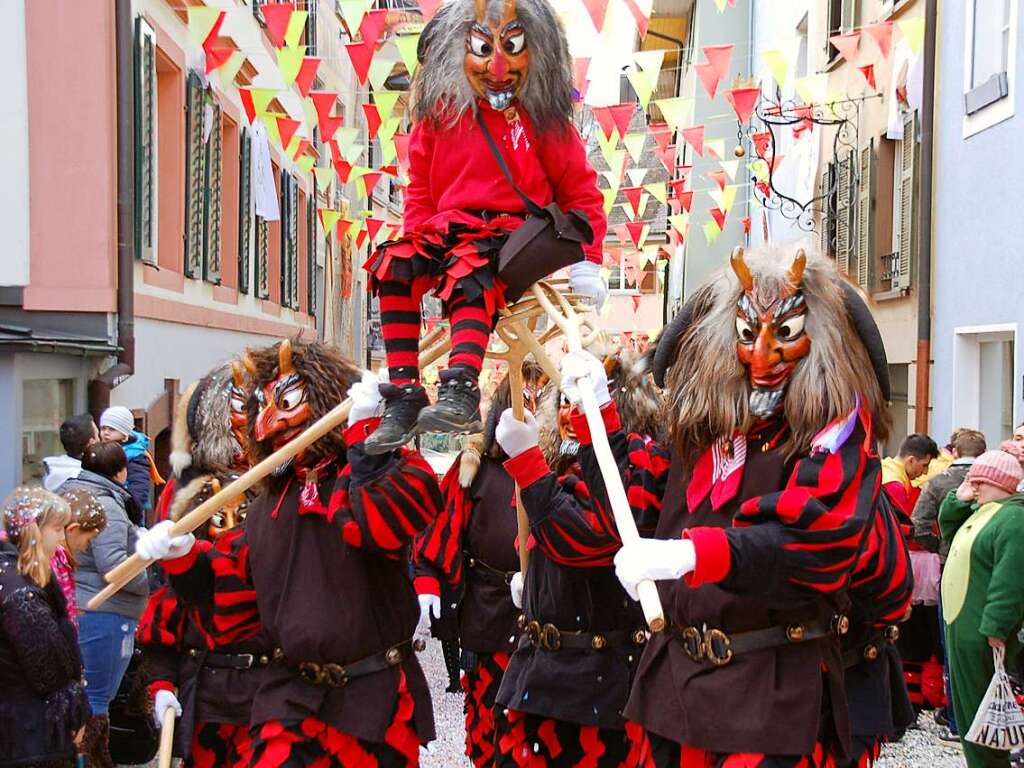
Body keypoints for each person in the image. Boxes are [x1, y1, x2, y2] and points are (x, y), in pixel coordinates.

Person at [568, 244, 893, 765]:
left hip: (770, 693)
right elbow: (630, 508)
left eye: (784, 334)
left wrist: (692, 556)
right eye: (747, 335)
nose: (762, 356)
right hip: (674, 688)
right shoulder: (699, 433)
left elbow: (815, 544)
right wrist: (594, 416)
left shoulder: (833, 435)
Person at [135, 340, 443, 766]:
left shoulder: (390, 468)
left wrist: (366, 443)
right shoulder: (268, 505)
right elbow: (233, 598)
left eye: (287, 400)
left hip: (372, 696)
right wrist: (185, 557)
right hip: (289, 699)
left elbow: (379, 524)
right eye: (263, 406)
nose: (269, 421)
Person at [362, 0, 607, 454]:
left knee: (467, 270)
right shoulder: (439, 116)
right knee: (391, 265)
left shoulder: (542, 119)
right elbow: (420, 191)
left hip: (507, 236)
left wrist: (587, 264)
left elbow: (580, 190)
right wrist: (416, 244)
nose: (496, 66)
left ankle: (461, 389)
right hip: (446, 229)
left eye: (512, 47)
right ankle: (404, 393)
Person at [488, 349, 665, 766]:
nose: (569, 414)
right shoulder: (562, 462)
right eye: (565, 403)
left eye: (580, 403)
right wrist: (535, 586)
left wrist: (529, 466)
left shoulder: (641, 461)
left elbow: (587, 540)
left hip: (598, 686)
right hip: (538, 673)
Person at [414, 361, 545, 766]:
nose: (534, 405)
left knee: (539, 728)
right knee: (488, 722)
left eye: (541, 398)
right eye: (526, 398)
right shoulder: (476, 469)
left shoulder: (554, 468)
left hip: (544, 611)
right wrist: (427, 580)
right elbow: (440, 527)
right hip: (488, 612)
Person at [137, 362, 265, 768]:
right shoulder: (187, 496)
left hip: (279, 687)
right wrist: (161, 680)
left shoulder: (292, 491)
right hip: (208, 681)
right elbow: (169, 599)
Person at [61, 441, 149, 768]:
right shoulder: (107, 505)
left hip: (82, 606)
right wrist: (146, 581)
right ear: (120, 471)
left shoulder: (68, 490)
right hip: (104, 611)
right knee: (97, 699)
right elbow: (113, 566)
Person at [940, 450, 1024, 768]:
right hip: (965, 627)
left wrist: (996, 627)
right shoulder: (987, 511)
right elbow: (947, 529)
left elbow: (1010, 579)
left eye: (978, 481)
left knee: (982, 715)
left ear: (994, 481)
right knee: (970, 713)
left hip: (979, 632)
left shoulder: (1012, 519)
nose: (972, 487)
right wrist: (957, 498)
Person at [0, 487, 89, 768]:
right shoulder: (21, 592)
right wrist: (76, 713)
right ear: (38, 530)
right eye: (58, 529)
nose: (62, 539)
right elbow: (50, 670)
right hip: (29, 736)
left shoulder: (15, 577)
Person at [911, 428, 987, 740]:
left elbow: (918, 524)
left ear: (953, 452)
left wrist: (937, 547)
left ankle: (957, 717)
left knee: (952, 643)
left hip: (952, 566)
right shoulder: (998, 480)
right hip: (991, 564)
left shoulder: (939, 482)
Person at [52, 488, 109, 630]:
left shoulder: (60, 562)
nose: (84, 548)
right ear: (73, 529)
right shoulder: (56, 563)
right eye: (88, 540)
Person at [100, 405, 164, 518]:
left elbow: (139, 488)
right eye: (103, 428)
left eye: (112, 429)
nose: (106, 433)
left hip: (126, 512)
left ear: (125, 434)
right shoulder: (102, 448)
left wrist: (132, 513)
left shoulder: (135, 456)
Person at [882, 434, 939, 519]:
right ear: (911, 460)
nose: (925, 472)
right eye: (924, 465)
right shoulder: (895, 488)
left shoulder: (883, 468)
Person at [43, 413, 99, 492]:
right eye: (98, 435)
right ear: (91, 443)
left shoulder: (54, 468)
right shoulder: (87, 481)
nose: (100, 441)